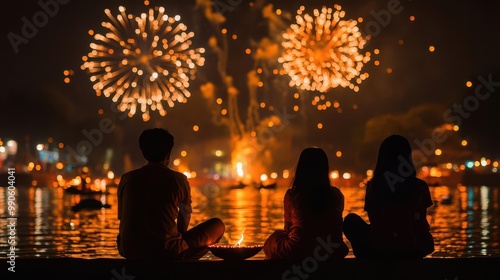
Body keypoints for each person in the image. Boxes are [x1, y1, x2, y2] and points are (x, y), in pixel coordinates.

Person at [117, 128, 225, 260]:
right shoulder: (179, 179)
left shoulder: (127, 178)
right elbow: (184, 216)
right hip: (166, 252)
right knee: (217, 225)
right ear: (168, 154)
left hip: (130, 251)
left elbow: (122, 218)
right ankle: (179, 261)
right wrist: (177, 239)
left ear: (143, 153)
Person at [343, 134, 434, 259]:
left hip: (382, 248)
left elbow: (375, 221)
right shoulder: (420, 186)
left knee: (350, 221)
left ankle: (367, 260)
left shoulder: (374, 187)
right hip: (414, 247)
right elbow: (420, 220)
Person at [263, 147, 349, 260]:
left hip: (298, 250)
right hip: (332, 251)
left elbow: (288, 229)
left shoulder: (292, 195)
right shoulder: (337, 195)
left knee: (273, 240)